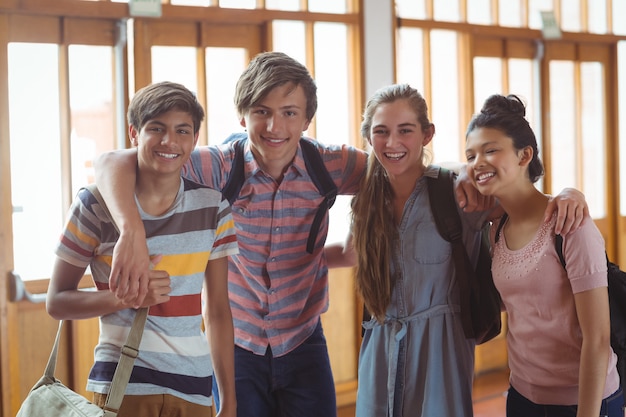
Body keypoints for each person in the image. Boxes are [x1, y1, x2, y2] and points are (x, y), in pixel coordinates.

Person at [95, 55, 585, 417]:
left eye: (290, 112)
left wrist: (563, 190)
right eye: (262, 111)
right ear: (243, 116)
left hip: (303, 342)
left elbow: (421, 168)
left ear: (307, 120)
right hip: (238, 344)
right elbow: (112, 162)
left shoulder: (330, 163)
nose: (275, 126)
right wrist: (131, 231)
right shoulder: (217, 165)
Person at [326, 83, 590, 417]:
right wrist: (296, 258)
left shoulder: (457, 193)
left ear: (427, 134)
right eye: (381, 132)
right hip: (379, 347)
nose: (392, 143)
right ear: (368, 136)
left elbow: (524, 202)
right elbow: (352, 252)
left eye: (405, 130)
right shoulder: (368, 197)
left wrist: (568, 194)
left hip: (441, 351)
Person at [46, 81, 238, 417]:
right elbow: (57, 301)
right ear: (134, 133)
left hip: (194, 387)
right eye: (156, 129)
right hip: (122, 386)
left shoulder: (213, 207)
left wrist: (229, 400)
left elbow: (218, 311)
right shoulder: (94, 206)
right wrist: (123, 297)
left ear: (194, 139)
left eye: (182, 130)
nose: (169, 141)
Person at [465, 94, 623, 417]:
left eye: (491, 150)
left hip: (583, 401)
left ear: (525, 156)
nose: (477, 162)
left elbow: (597, 338)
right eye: (471, 155)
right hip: (522, 395)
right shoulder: (497, 226)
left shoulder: (571, 226)